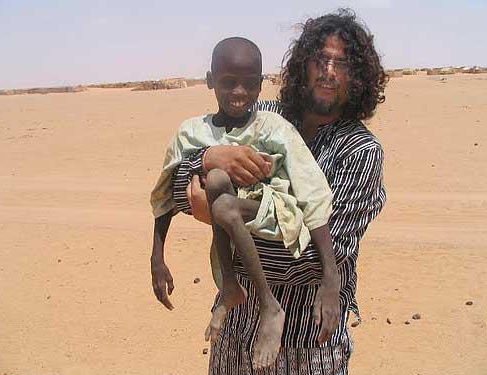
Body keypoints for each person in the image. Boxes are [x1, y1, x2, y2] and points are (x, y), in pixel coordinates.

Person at [153, 8, 388, 375]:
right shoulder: (260, 114)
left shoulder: (359, 151)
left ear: (357, 78)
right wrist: (210, 157)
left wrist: (219, 215)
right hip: (235, 334)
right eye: (321, 59)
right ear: (303, 65)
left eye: (341, 64)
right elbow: (180, 187)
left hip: (308, 345)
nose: (328, 72)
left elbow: (312, 258)